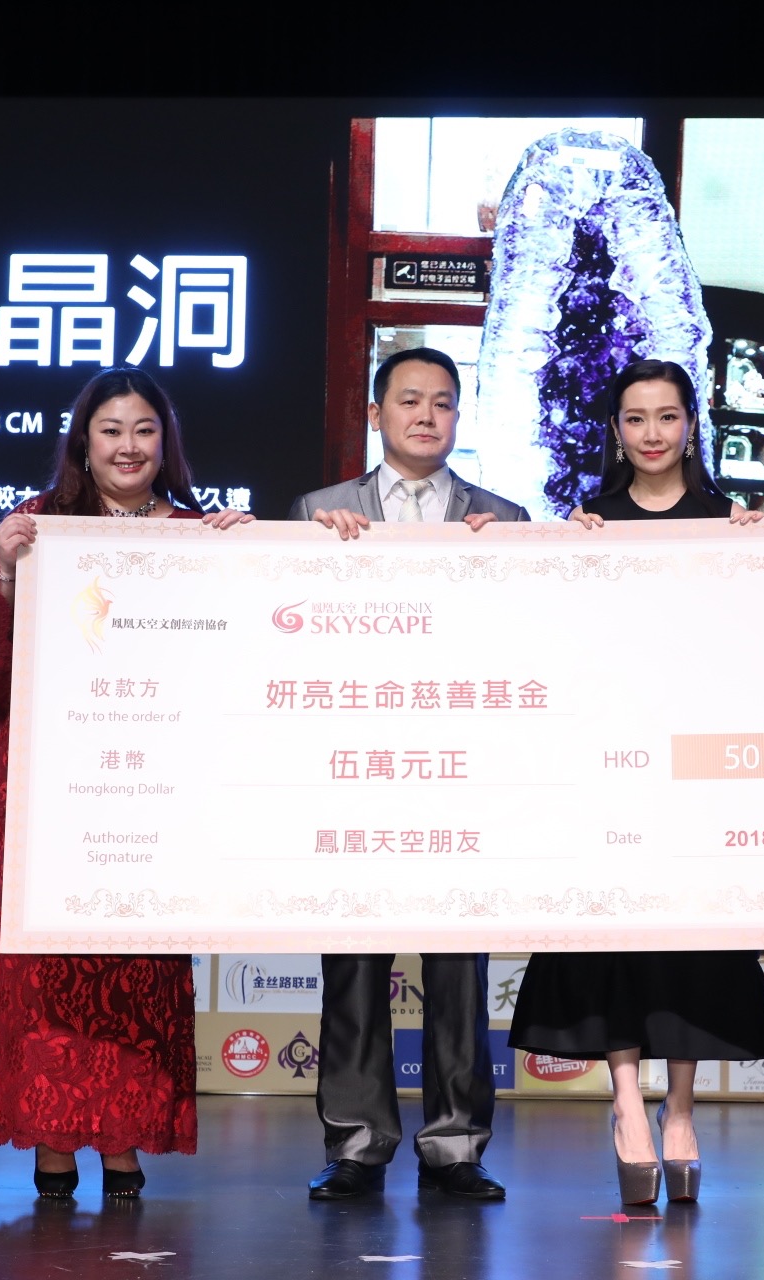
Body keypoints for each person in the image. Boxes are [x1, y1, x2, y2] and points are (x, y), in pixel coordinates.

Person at [0, 367, 251, 1198]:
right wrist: (6, 570)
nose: (128, 446)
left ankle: (124, 1139)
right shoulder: (39, 526)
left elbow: (236, 655)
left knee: (136, 960)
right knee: (50, 960)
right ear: (84, 439)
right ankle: (52, 1140)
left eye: (145, 430)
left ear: (165, 442)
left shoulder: (196, 531)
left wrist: (246, 560)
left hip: (154, 785)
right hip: (56, 789)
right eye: (112, 429)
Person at [507, 358, 764, 1205]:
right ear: (616, 432)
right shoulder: (591, 525)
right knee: (612, 937)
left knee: (691, 939)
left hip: (698, 770)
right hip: (608, 766)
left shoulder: (731, 524)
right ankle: (627, 1101)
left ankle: (680, 1108)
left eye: (667, 416)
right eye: (635, 418)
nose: (652, 433)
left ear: (692, 424)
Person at [290, 346, 529, 1202]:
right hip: (357, 768)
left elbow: (528, 640)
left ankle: (456, 1145)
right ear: (377, 413)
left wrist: (509, 565)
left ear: (459, 417)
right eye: (409, 400)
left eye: (443, 403)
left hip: (460, 769)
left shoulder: (503, 519)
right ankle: (357, 1144)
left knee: (458, 964)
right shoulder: (321, 512)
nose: (427, 416)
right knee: (354, 960)